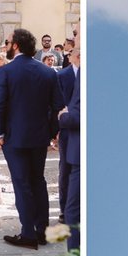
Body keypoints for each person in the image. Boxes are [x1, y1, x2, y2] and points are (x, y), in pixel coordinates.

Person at [0, 28, 61, 249]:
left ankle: (28, 233)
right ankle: (42, 231)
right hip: (39, 136)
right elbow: (57, 107)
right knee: (38, 181)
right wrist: (50, 133)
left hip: (15, 137)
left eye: (8, 42)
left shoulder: (6, 71)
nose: (7, 45)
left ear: (16, 46)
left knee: (22, 184)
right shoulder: (48, 73)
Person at [43, 45, 81, 256]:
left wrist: (64, 117)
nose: (72, 42)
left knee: (74, 216)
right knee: (72, 214)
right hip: (72, 151)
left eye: (77, 35)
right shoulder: (66, 74)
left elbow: (79, 114)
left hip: (79, 151)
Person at [55, 47, 79, 224]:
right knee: (65, 170)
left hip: (77, 126)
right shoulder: (63, 75)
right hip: (65, 129)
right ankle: (64, 210)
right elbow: (56, 103)